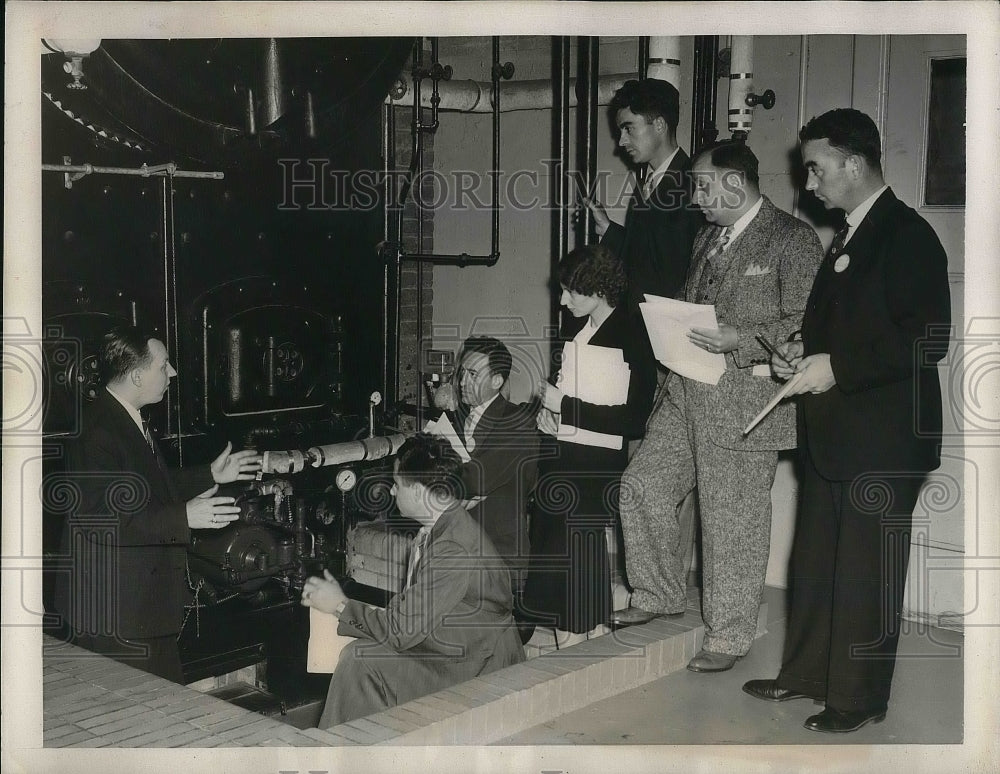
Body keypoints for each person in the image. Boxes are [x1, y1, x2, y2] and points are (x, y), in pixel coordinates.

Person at [743, 109, 950, 732]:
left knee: (866, 573)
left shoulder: (906, 234)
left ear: (853, 164)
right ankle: (805, 675)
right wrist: (798, 353)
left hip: (884, 440)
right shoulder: (852, 235)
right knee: (815, 562)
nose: (809, 184)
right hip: (837, 435)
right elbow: (841, 329)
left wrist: (837, 368)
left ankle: (859, 698)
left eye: (816, 168)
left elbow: (927, 340)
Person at [614, 142, 823, 675]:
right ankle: (658, 593)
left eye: (705, 185)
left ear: (738, 181)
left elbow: (809, 324)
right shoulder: (707, 236)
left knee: (731, 520)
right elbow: (691, 304)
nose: (696, 195)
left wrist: (744, 337)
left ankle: (729, 634)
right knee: (642, 486)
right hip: (685, 391)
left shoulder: (791, 239)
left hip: (743, 402)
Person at [53, 325, 261, 682]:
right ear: (136, 375)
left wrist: (211, 474)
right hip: (115, 616)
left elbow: (146, 489)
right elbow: (103, 519)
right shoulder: (96, 432)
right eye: (164, 365)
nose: (173, 373)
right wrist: (185, 516)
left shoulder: (123, 417)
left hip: (138, 609)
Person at [303, 434, 525, 727]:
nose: (393, 492)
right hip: (460, 643)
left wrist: (340, 606)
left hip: (474, 662)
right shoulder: (444, 526)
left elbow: (401, 631)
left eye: (398, 484)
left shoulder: (452, 547)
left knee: (360, 660)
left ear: (419, 492)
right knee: (360, 654)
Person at [521, 245, 656, 647]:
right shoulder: (582, 331)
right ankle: (578, 646)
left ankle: (573, 653)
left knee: (573, 567)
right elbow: (570, 401)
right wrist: (551, 419)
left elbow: (633, 420)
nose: (563, 301)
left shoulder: (632, 335)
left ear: (598, 289)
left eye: (571, 292)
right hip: (564, 461)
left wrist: (565, 406)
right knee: (562, 566)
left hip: (591, 472)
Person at [428, 336, 539, 595]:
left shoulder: (516, 423)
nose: (463, 382)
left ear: (497, 381)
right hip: (457, 552)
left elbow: (474, 480)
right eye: (462, 373)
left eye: (474, 374)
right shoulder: (458, 418)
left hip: (497, 558)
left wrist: (448, 483)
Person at [584, 78, 701, 316]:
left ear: (659, 125)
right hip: (641, 329)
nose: (621, 141)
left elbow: (678, 272)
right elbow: (648, 256)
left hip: (669, 331)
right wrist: (608, 230)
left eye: (629, 128)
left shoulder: (695, 184)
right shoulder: (648, 185)